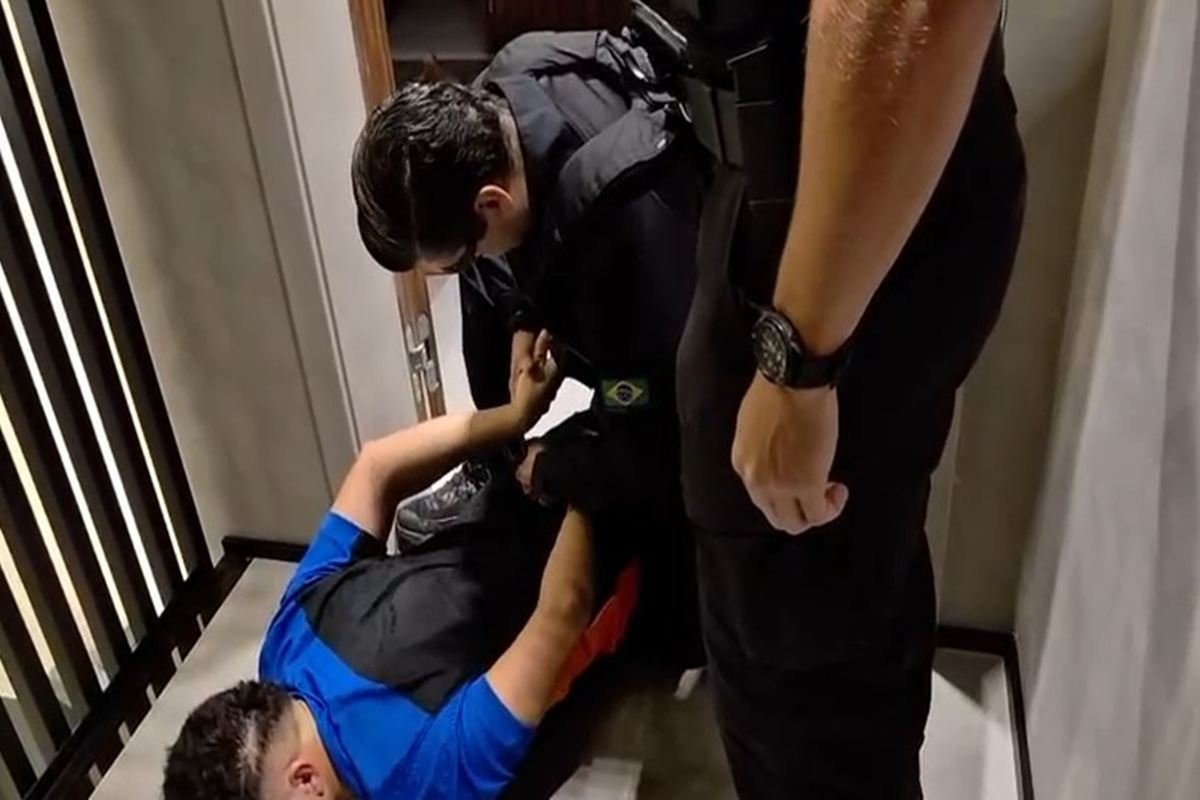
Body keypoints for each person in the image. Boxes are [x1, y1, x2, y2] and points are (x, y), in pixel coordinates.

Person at [654, 0, 1028, 797]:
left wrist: (799, 358)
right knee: (842, 599)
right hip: (808, 168)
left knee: (799, 659)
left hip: (826, 192)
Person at [351, 29, 708, 665]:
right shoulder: (500, 92)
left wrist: (558, 469)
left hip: (678, 349)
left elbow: (667, 429)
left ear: (493, 200)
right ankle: (499, 463)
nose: (459, 269)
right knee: (487, 284)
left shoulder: (624, 231)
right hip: (602, 277)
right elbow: (515, 248)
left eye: (456, 255)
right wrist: (526, 315)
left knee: (641, 481)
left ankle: (553, 470)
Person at [162, 333, 637, 799]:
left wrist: (578, 479)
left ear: (306, 783)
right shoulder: (283, 650)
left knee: (646, 403)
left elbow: (563, 611)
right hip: (534, 485)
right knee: (630, 395)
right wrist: (515, 419)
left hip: (611, 533)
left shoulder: (421, 779)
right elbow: (374, 468)